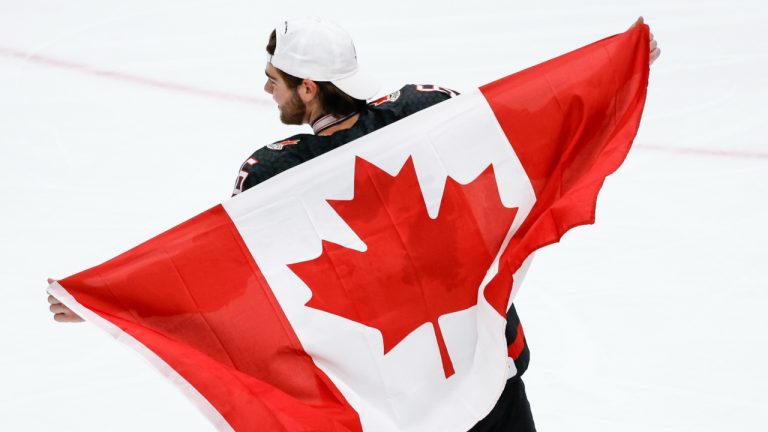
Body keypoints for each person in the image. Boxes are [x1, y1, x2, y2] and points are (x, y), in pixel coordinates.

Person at [48, 17, 660, 431]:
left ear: (308, 88)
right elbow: (536, 122)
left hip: (389, 406)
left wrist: (116, 305)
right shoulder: (429, 111)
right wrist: (618, 73)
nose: (266, 86)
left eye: (276, 78)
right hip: (488, 374)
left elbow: (222, 281)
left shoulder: (271, 178)